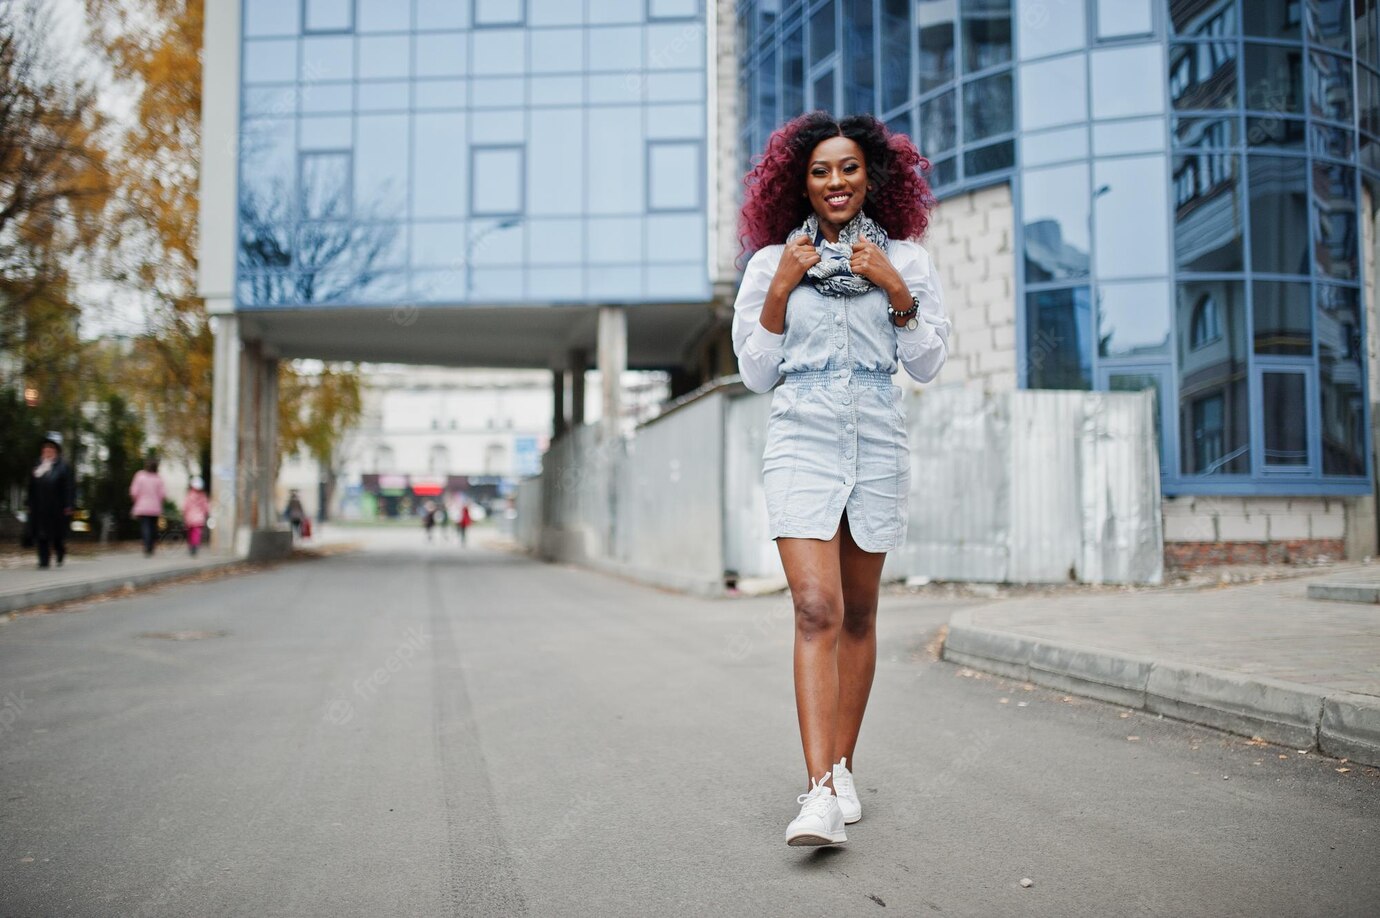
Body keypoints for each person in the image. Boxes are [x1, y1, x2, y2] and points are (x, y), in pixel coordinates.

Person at [732, 112, 950, 847]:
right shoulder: (771, 262)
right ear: (801, 180)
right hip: (802, 437)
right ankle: (819, 790)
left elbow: (926, 365)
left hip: (878, 442)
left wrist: (896, 290)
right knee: (816, 609)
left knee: (858, 614)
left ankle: (845, 766)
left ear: (871, 177)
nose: (835, 182)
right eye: (821, 171)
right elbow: (756, 374)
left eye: (848, 169)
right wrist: (781, 288)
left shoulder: (910, 261)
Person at [25, 432, 75, 569]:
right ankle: (43, 561)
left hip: (57, 507)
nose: (47, 451)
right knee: (41, 534)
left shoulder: (63, 467)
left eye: (50, 449)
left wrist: (69, 505)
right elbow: (31, 486)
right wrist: (29, 503)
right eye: (45, 449)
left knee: (56, 536)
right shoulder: (38, 466)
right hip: (39, 507)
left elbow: (69, 488)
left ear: (55, 451)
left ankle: (60, 551)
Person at [129, 457, 166, 557]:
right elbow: (162, 494)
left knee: (145, 527)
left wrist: (135, 501)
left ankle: (146, 545)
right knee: (153, 527)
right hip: (155, 508)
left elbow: (134, 492)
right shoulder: (158, 478)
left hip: (142, 506)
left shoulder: (140, 476)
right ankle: (151, 546)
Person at [182, 476, 209, 556]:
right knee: (196, 533)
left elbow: (185, 506)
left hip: (190, 517)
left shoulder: (189, 495)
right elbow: (206, 506)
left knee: (190, 533)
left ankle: (191, 546)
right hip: (199, 518)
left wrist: (184, 514)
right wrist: (206, 513)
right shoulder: (203, 496)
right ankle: (195, 546)